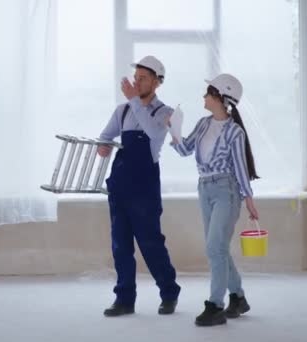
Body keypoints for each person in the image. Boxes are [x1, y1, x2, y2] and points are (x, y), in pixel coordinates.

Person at [170, 73, 259, 326]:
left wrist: (249, 200)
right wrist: (173, 130)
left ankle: (215, 305)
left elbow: (241, 169)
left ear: (221, 98)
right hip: (205, 188)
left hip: (226, 190)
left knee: (214, 247)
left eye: (208, 93)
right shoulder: (203, 124)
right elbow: (185, 149)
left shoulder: (235, 133)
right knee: (217, 247)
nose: (204, 97)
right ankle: (238, 297)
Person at [98, 56, 181, 317]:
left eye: (143, 78)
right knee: (120, 245)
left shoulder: (165, 113)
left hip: (144, 187)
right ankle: (124, 299)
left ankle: (169, 293)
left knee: (151, 243)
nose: (137, 82)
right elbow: (105, 135)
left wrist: (134, 99)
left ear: (157, 82)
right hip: (120, 185)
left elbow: (154, 134)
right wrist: (103, 145)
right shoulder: (122, 110)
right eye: (136, 78)